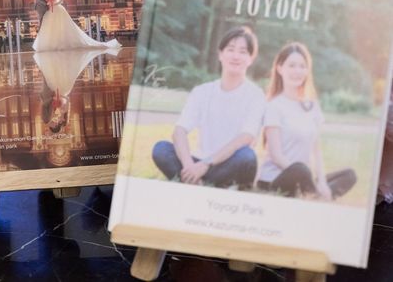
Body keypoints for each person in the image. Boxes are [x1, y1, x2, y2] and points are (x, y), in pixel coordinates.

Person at [153, 27, 265, 189]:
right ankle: (201, 182)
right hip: (197, 163)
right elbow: (179, 131)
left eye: (243, 52)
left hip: (229, 163)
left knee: (247, 156)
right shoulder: (202, 91)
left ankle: (197, 184)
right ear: (220, 54)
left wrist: (207, 164)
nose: (236, 56)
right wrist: (189, 166)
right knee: (161, 149)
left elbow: (246, 137)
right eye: (231, 49)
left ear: (251, 59)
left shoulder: (256, 95)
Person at [257, 42, 357, 200]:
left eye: (302, 66)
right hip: (275, 180)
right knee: (300, 169)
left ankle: (315, 194)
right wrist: (303, 176)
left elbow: (316, 150)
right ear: (280, 68)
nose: (297, 71)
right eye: (292, 65)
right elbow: (276, 155)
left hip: (304, 179)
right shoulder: (274, 106)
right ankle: (313, 195)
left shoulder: (312, 105)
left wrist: (322, 181)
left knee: (349, 175)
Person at [32, 0, 121, 52]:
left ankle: (59, 44)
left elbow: (61, 0)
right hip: (52, 9)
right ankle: (52, 44)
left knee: (60, 27)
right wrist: (49, 1)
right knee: (51, 27)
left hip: (57, 9)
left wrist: (53, 3)